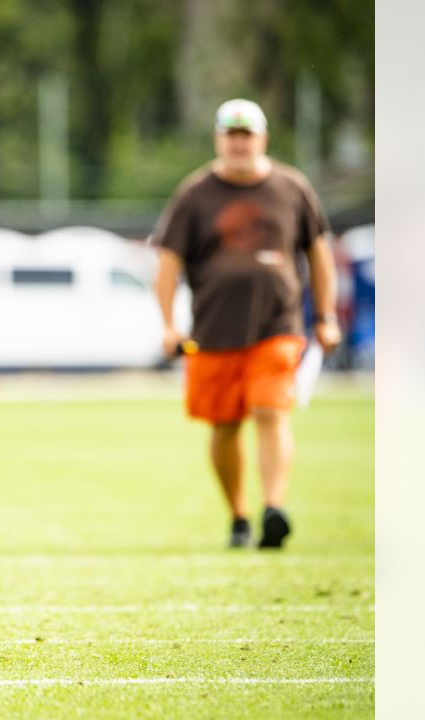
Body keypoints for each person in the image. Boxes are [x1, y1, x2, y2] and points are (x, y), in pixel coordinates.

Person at [150, 98, 341, 550]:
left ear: (263, 138)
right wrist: (168, 325)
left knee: (271, 412)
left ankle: (273, 507)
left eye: (246, 135)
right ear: (219, 139)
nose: (239, 144)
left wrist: (326, 317)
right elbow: (168, 264)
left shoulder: (292, 187)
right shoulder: (195, 193)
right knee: (225, 425)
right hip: (213, 330)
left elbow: (318, 256)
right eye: (230, 135)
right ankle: (238, 514)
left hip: (279, 324)